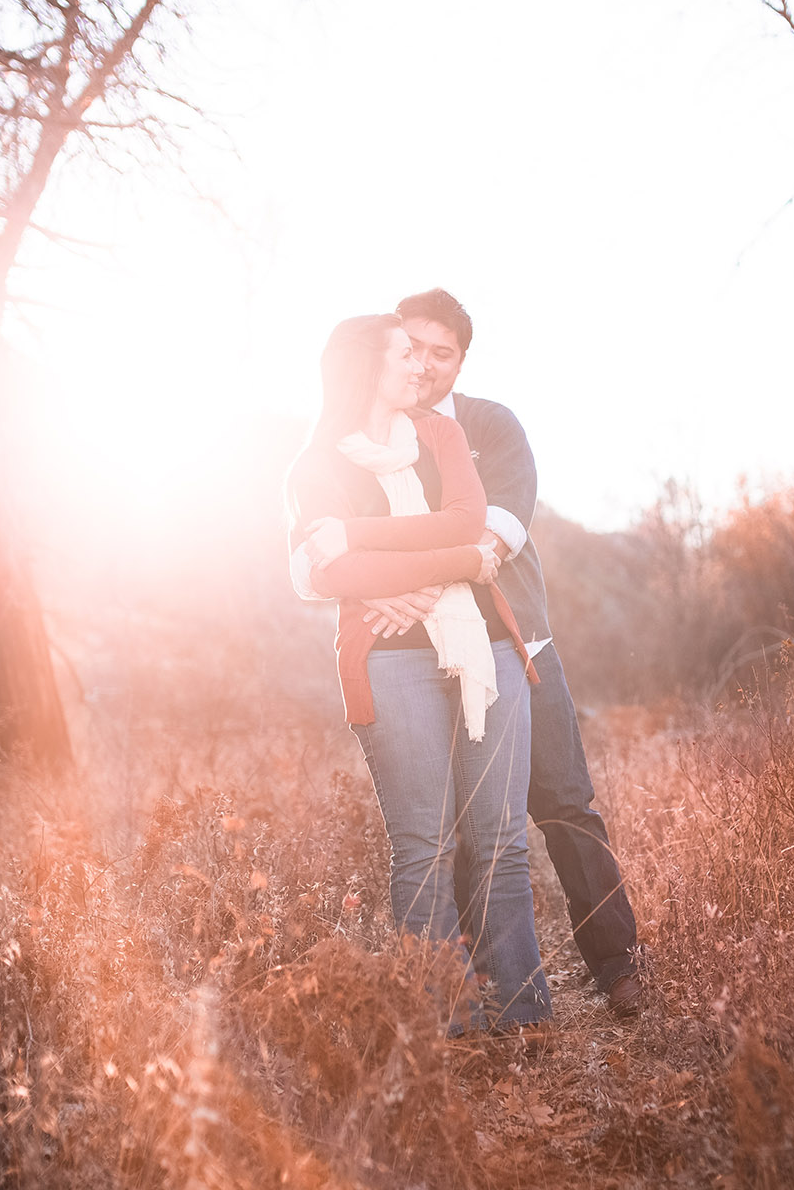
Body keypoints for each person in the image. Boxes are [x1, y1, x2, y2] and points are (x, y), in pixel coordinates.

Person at [356, 289, 646, 1018]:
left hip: (519, 646)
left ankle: (618, 968)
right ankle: (471, 995)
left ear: (461, 361)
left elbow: (502, 531)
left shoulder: (491, 426)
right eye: (412, 348)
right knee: (452, 827)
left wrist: (391, 573)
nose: (424, 364)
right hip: (422, 657)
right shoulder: (375, 437)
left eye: (441, 353)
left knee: (564, 803)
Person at [285, 313, 552, 1033]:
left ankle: (523, 1019)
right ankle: (443, 1022)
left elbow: (468, 520)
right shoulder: (315, 468)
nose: (419, 367)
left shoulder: (441, 434)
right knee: (424, 845)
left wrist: (367, 548)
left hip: (486, 646)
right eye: (405, 354)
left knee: (500, 838)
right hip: (389, 659)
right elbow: (331, 568)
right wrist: (452, 569)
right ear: (367, 367)